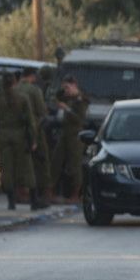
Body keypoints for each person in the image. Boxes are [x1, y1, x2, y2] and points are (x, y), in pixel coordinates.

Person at [0, 73, 38, 210]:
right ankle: (34, 201)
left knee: (7, 169)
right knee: (27, 168)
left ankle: (11, 202)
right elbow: (30, 121)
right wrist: (33, 139)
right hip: (20, 136)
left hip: (3, 135)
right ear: (14, 82)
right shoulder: (23, 98)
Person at [15, 68, 51, 208]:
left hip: (17, 130)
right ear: (32, 76)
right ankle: (42, 194)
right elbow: (42, 111)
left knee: (20, 162)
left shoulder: (14, 89)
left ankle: (20, 193)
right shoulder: (34, 90)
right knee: (41, 162)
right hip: (34, 129)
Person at [49, 74, 89, 203]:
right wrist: (61, 92)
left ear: (74, 86)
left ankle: (76, 194)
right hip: (65, 134)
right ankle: (50, 191)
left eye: (67, 87)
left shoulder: (81, 100)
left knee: (75, 165)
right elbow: (55, 97)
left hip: (76, 135)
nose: (66, 90)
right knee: (56, 161)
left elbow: (79, 119)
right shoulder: (68, 97)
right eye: (64, 88)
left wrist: (66, 109)